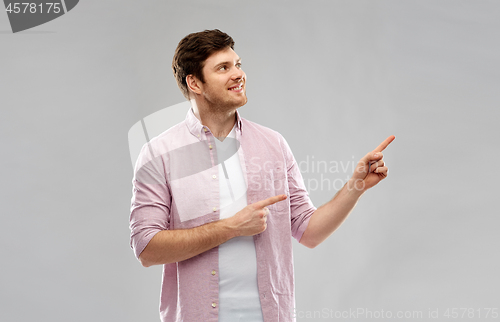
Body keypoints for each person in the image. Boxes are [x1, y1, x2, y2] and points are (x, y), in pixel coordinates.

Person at [129, 29, 395, 322]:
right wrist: (230, 228)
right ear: (195, 83)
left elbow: (309, 231)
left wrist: (355, 185)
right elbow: (146, 248)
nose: (238, 74)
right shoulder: (158, 154)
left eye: (238, 64)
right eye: (223, 68)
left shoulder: (273, 144)